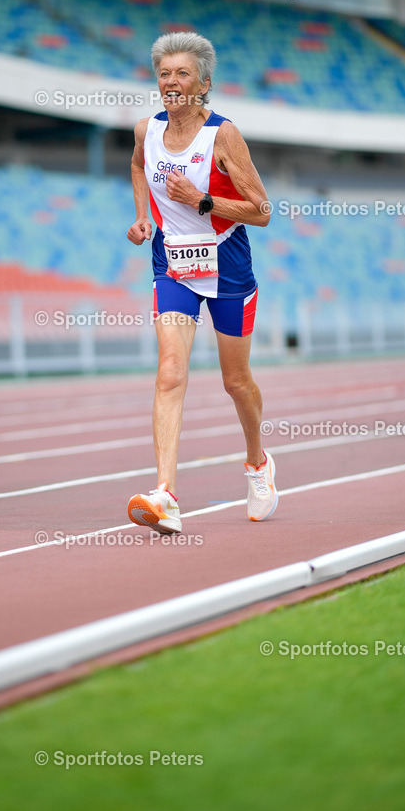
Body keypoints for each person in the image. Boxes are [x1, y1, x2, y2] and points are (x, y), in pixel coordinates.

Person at [126, 31, 277, 534]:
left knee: (235, 382)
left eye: (181, 74)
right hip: (172, 265)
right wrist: (143, 216)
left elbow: (262, 211)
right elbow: (137, 166)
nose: (171, 82)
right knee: (170, 371)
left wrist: (201, 201)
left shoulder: (223, 135)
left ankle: (257, 462)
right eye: (164, 74)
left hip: (228, 264)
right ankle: (165, 494)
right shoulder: (145, 129)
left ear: (203, 83)